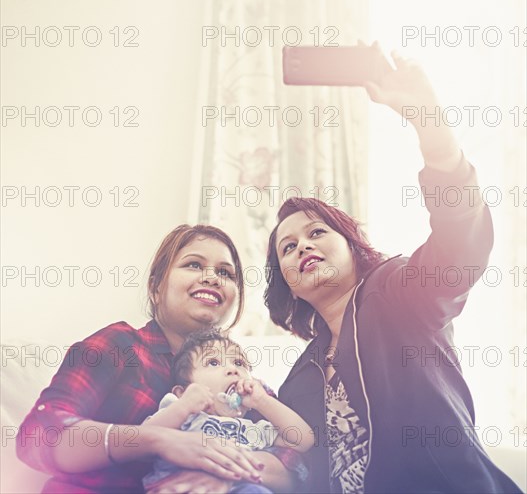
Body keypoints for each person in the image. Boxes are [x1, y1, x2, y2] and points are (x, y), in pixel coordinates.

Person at [264, 44, 523, 493]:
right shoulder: (299, 379)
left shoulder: (397, 294)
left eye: (317, 233)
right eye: (287, 247)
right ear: (286, 280)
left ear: (353, 247)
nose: (302, 245)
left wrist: (429, 124)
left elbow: (460, 245)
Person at [16, 225, 303, 493]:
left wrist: (225, 473)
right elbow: (40, 435)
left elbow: (297, 470)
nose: (212, 277)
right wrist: (159, 440)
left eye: (226, 273)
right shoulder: (120, 345)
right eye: (194, 264)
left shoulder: (242, 384)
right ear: (155, 287)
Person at [142, 328, 313, 493]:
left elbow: (303, 439)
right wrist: (184, 405)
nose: (233, 369)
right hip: (178, 486)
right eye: (213, 362)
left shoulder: (255, 430)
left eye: (239, 363)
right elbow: (143, 437)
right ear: (182, 391)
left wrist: (262, 401)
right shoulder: (183, 414)